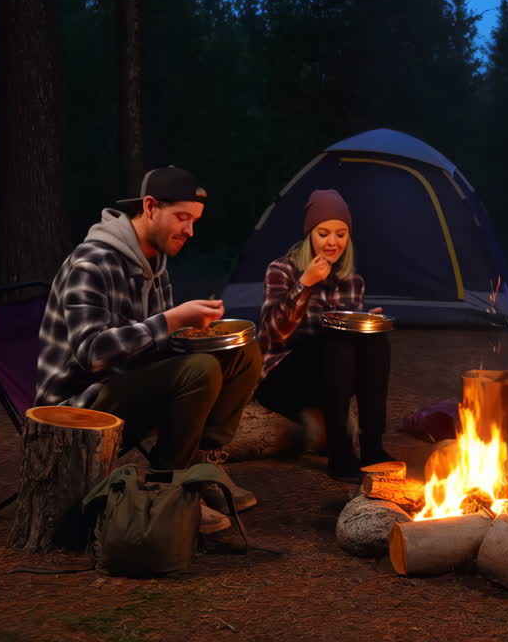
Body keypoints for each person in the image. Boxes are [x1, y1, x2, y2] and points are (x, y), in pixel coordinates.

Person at [37, 166, 262, 534]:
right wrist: (172, 321)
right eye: (182, 217)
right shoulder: (91, 263)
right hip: (79, 404)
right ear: (151, 206)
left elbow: (158, 345)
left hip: (130, 382)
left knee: (240, 351)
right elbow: (92, 353)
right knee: (200, 370)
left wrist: (198, 332)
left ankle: (202, 467)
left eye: (195, 221)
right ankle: (169, 489)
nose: (190, 231)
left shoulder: (154, 262)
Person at [256, 189, 392, 482]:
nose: (332, 242)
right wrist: (305, 284)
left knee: (375, 340)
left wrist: (364, 323)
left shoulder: (353, 281)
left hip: (331, 378)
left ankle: (373, 447)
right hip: (282, 378)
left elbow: (353, 345)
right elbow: (272, 335)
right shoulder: (282, 270)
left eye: (340, 234)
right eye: (323, 233)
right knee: (334, 342)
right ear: (310, 235)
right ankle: (339, 454)